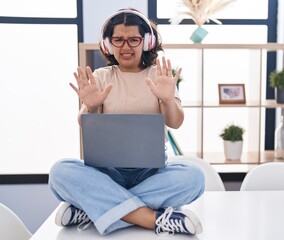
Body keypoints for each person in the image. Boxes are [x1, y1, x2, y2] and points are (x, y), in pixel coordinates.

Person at [48, 8, 205, 236]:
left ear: (147, 41)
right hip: (107, 173)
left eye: (133, 40)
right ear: (108, 44)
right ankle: (152, 219)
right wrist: (91, 105)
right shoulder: (101, 77)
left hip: (151, 173)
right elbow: (84, 123)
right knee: (59, 173)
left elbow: (176, 122)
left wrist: (168, 99)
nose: (125, 47)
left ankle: (94, 208)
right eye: (118, 40)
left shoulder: (159, 76)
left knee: (195, 177)